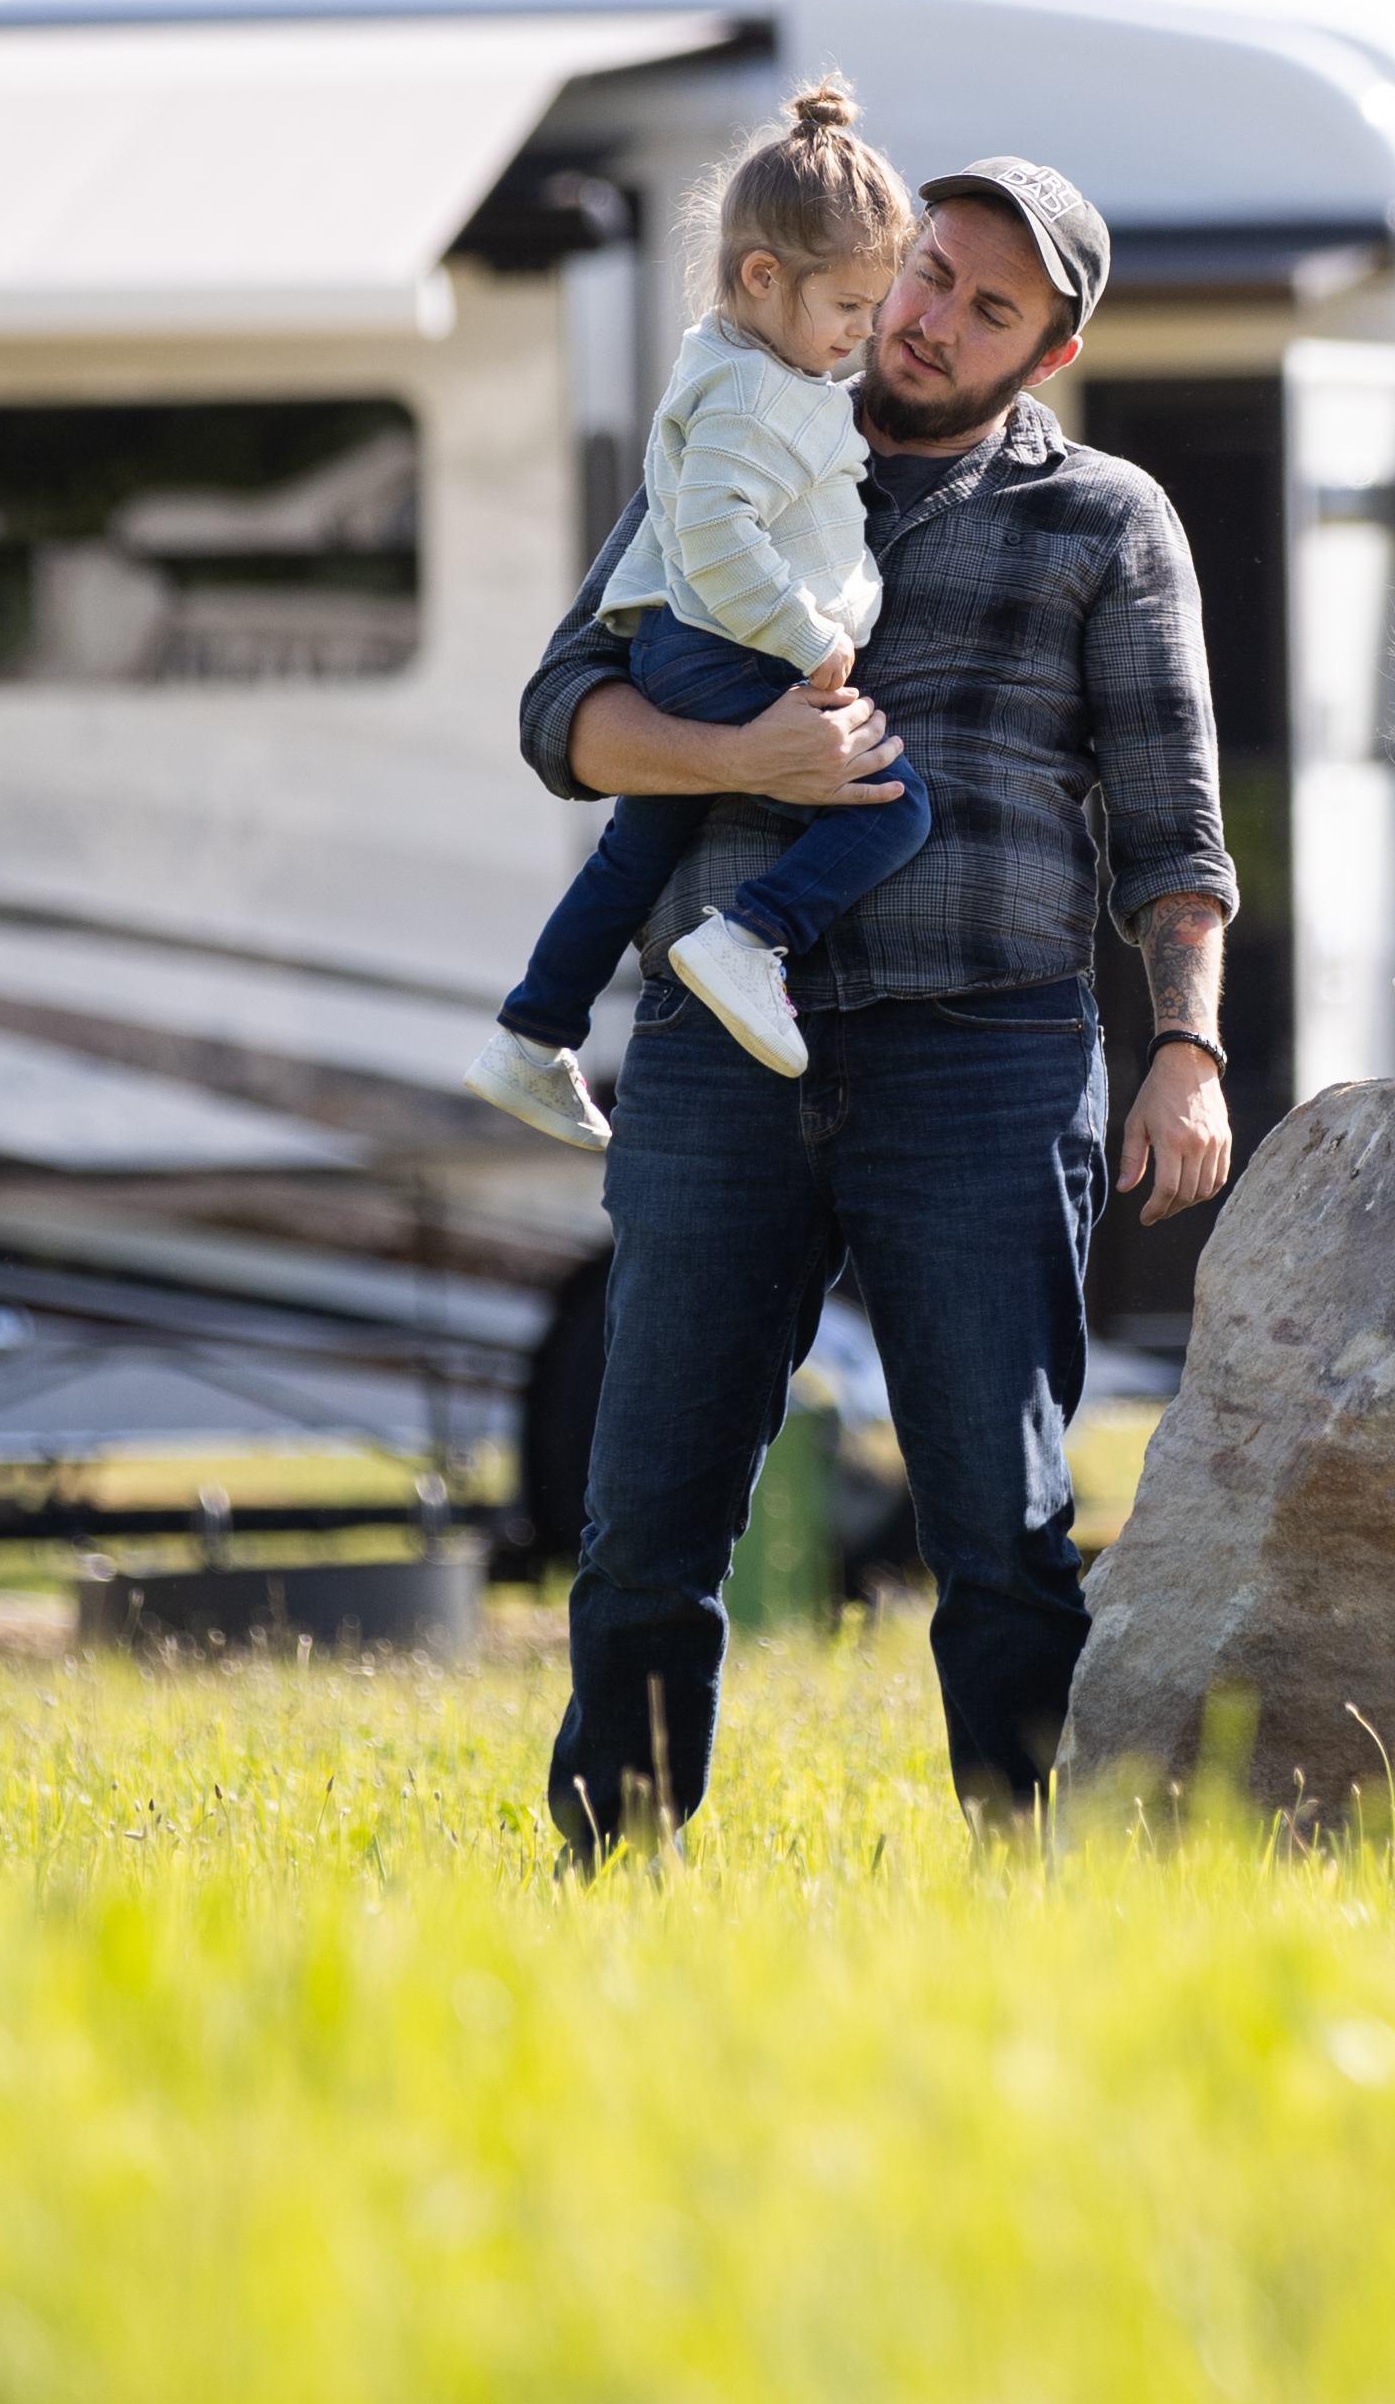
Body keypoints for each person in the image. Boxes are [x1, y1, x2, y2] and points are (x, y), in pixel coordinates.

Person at [518, 151, 1233, 1854]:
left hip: (983, 1061)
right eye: (930, 276)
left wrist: (1189, 1049)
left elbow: (1171, 824)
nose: (933, 319)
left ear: (1045, 357)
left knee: (1003, 1518)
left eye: (993, 308)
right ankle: (614, 1875)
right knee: (647, 1521)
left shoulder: (1105, 520)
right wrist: (736, 756)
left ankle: (1027, 1878)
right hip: (713, 1057)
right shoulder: (737, 430)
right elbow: (563, 714)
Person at [467, 83, 938, 1147]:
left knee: (633, 859)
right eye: (850, 308)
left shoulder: (750, 365)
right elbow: (722, 545)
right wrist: (813, 639)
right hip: (726, 646)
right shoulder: (741, 394)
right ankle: (753, 937)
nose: (865, 335)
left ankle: (530, 1035)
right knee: (895, 803)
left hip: (692, 644)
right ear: (764, 277)